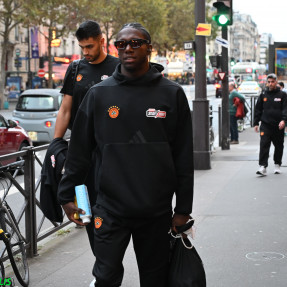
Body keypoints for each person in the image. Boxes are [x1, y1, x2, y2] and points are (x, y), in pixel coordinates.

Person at [57, 23, 194, 287]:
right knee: (105, 277)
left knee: (155, 280)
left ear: (149, 48)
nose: (128, 48)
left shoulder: (172, 94)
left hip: (155, 211)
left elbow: (183, 156)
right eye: (121, 44)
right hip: (109, 209)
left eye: (135, 43)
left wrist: (183, 209)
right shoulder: (99, 94)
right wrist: (66, 196)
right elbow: (79, 152)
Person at [53, 21, 119, 256]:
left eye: (90, 46)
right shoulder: (75, 68)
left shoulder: (119, 67)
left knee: (111, 211)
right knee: (86, 213)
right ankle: (101, 268)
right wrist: (56, 143)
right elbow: (65, 109)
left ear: (102, 41)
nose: (86, 52)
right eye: (82, 47)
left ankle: (108, 267)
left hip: (111, 153)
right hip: (81, 154)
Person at [254, 73, 287, 176]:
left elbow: (285, 109)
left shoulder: (282, 95)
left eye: (272, 82)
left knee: (278, 146)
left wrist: (284, 120)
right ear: (267, 83)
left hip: (278, 125)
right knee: (264, 145)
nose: (270, 84)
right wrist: (255, 123)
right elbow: (258, 109)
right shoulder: (263, 94)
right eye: (269, 82)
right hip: (265, 125)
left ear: (276, 82)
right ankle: (262, 166)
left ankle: (277, 165)